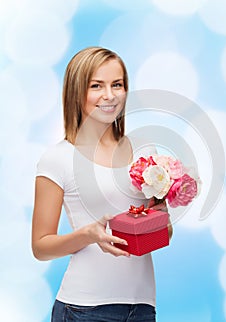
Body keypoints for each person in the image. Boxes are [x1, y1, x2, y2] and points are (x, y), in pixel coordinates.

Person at [31, 46, 173, 322]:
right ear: (77, 92)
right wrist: (89, 235)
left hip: (142, 308)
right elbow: (40, 247)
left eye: (117, 84)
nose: (109, 96)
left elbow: (164, 234)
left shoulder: (146, 151)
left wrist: (164, 214)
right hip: (84, 309)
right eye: (97, 86)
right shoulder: (58, 158)